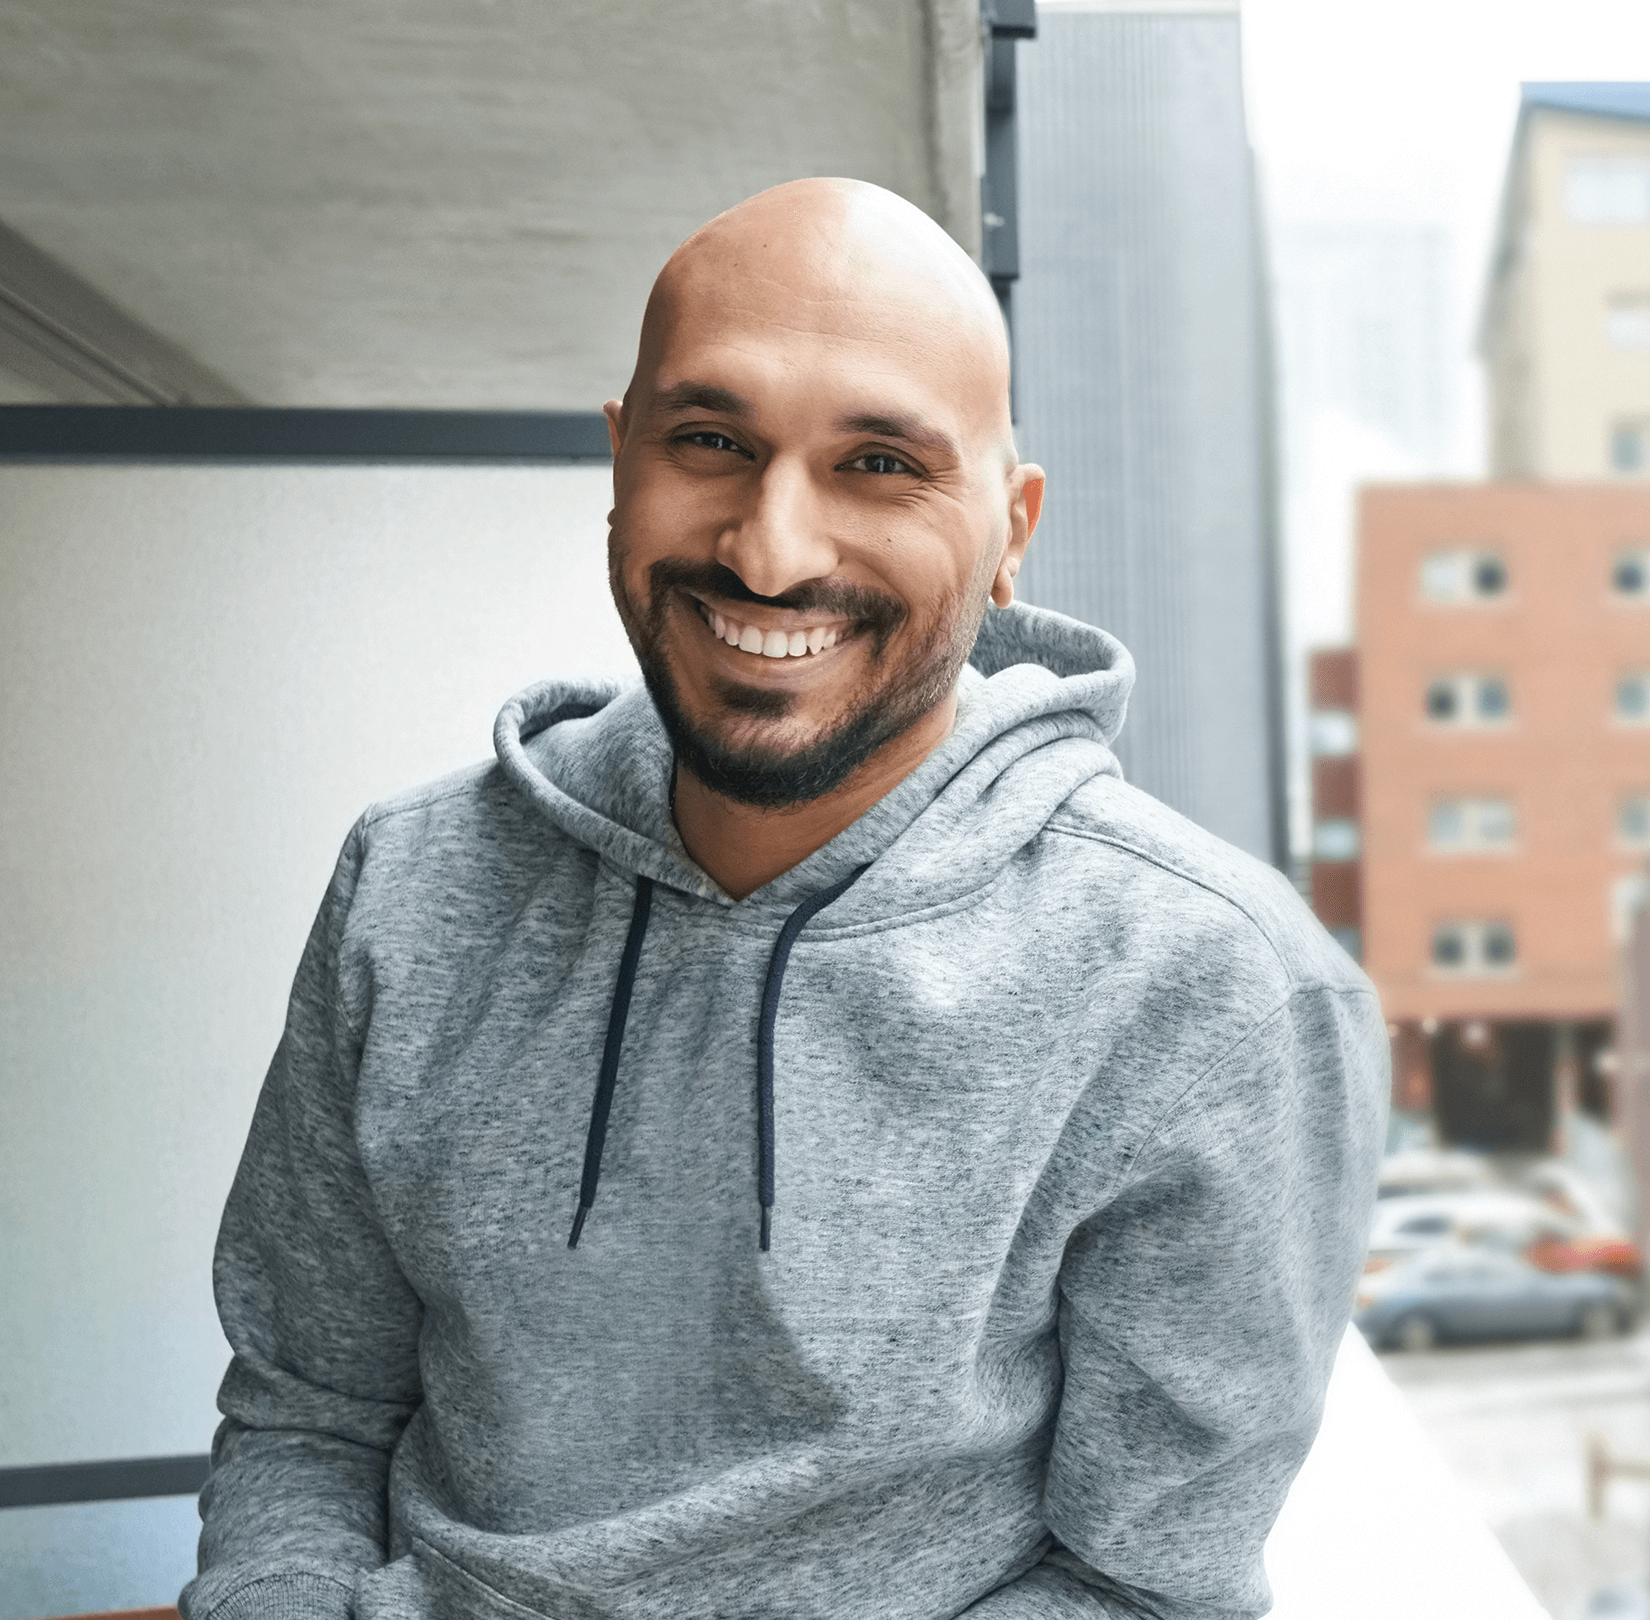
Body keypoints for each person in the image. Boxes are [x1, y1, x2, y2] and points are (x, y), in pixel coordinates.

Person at [181, 179, 1385, 1620]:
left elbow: (1142, 1588)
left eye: (879, 463)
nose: (770, 549)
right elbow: (309, 1411)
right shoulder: (412, 880)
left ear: (1012, 526)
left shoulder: (1209, 984)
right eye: (711, 441)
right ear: (621, 461)